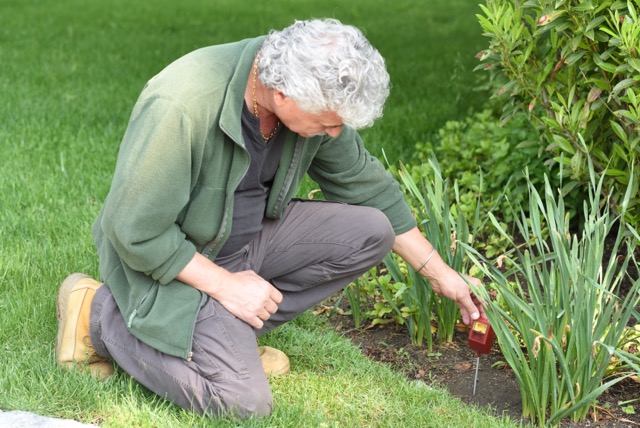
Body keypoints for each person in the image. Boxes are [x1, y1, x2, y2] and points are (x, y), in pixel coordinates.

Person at [55, 18, 483, 419]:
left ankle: (225, 334)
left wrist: (439, 274)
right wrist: (227, 286)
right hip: (170, 266)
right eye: (327, 123)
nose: (334, 133)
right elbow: (134, 232)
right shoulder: (182, 104)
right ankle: (99, 314)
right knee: (244, 403)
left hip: (241, 244)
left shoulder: (302, 103)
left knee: (372, 232)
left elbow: (367, 186)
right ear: (283, 95)